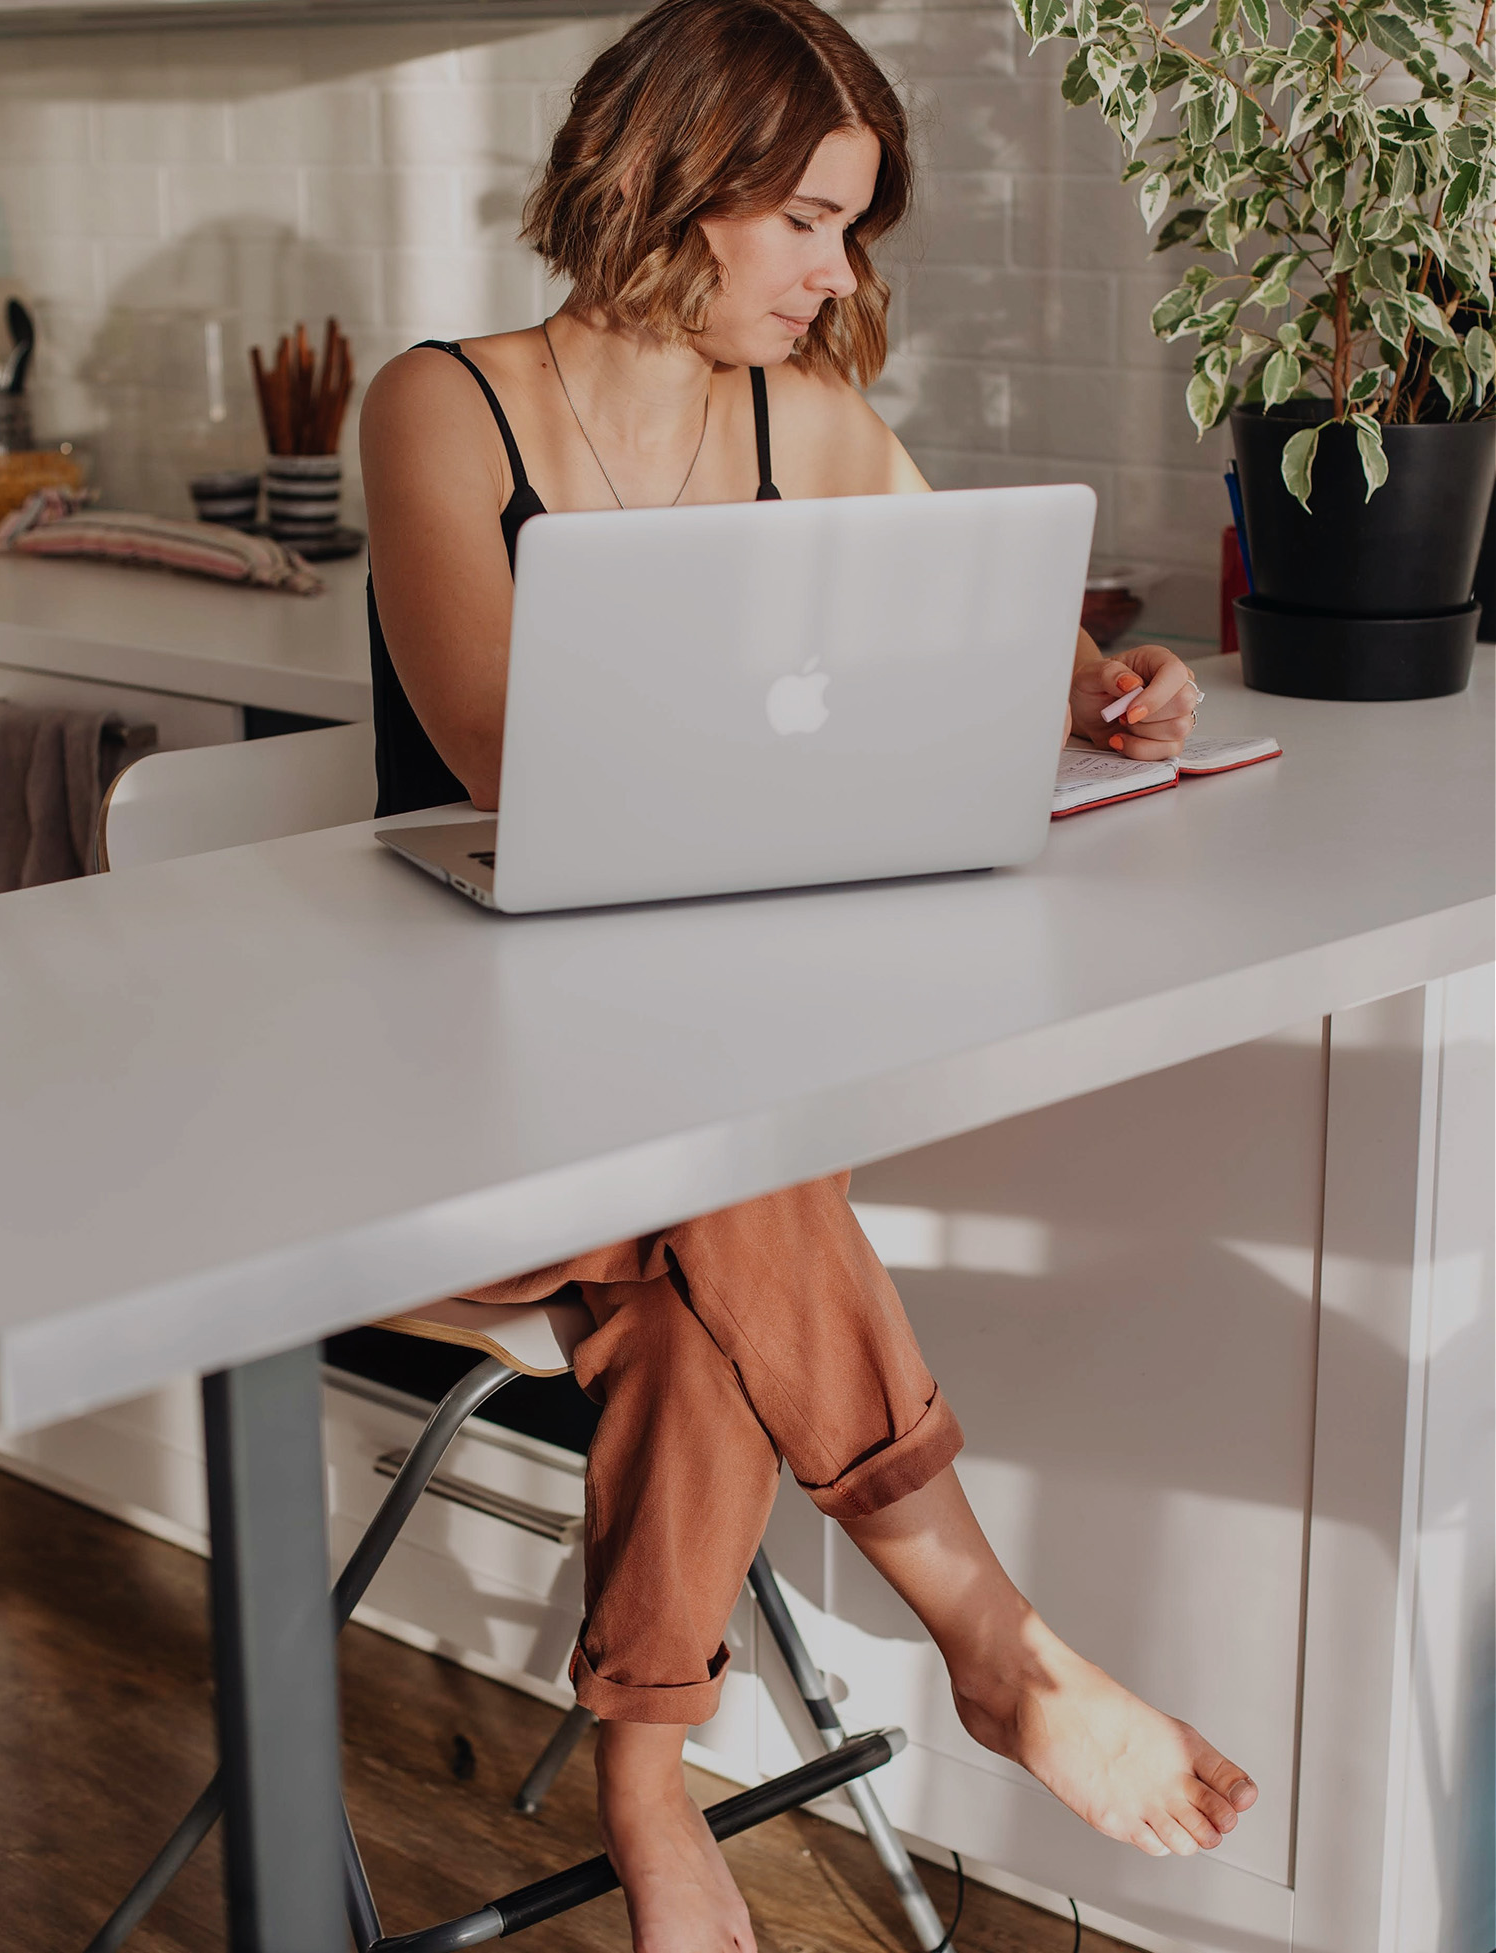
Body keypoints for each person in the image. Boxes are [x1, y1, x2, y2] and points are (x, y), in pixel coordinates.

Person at [360, 2, 1256, 1945]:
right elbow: (512, 745)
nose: (837, 273)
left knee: (703, 1236)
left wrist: (1100, 685)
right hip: (422, 1114)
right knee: (739, 1154)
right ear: (668, 185)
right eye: (805, 221)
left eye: (851, 227)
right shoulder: (446, 406)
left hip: (660, 1125)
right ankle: (984, 1627)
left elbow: (987, 629)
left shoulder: (809, 420)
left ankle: (642, 1773)